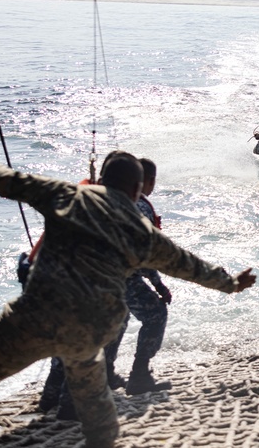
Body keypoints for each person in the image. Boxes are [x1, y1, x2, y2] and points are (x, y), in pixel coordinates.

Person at [0, 134, 256, 448]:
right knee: (99, 419)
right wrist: (232, 284)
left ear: (101, 180)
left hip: (35, 319)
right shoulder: (143, 232)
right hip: (91, 333)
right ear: (136, 189)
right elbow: (188, 265)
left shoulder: (68, 195)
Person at [101, 157, 173, 395]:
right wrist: (158, 285)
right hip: (119, 275)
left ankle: (106, 374)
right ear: (146, 181)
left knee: (118, 320)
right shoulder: (139, 206)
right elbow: (144, 254)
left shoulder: (108, 199)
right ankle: (139, 375)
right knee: (155, 314)